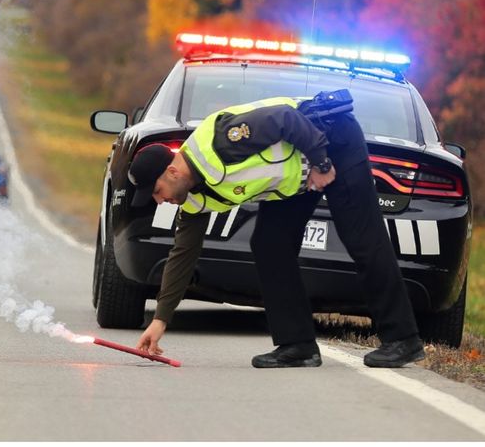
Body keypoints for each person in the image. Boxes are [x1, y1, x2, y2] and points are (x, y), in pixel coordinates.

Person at [128, 91, 424, 368]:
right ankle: (298, 346)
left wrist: (321, 163)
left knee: (361, 236)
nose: (160, 201)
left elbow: (285, 117)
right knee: (269, 242)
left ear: (172, 172)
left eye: (157, 191)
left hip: (330, 139)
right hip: (298, 174)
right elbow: (183, 255)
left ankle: (403, 338)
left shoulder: (222, 140)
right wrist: (160, 320)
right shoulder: (192, 198)